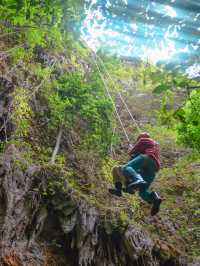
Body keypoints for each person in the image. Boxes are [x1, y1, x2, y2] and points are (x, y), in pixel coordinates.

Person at [109, 132, 162, 216]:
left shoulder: (143, 140)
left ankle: (124, 186)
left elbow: (132, 154)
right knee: (142, 192)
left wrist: (131, 149)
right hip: (153, 169)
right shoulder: (155, 145)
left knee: (125, 168)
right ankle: (155, 199)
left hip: (146, 158)